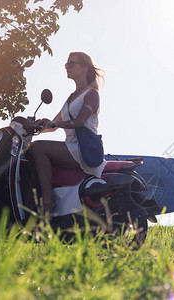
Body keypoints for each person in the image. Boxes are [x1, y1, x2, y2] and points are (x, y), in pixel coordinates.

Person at [29, 52, 107, 217]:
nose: (66, 66)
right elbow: (53, 125)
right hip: (71, 147)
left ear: (84, 67)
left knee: (38, 148)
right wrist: (36, 126)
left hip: (82, 150)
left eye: (71, 64)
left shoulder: (92, 94)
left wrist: (53, 123)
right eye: (66, 64)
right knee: (29, 149)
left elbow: (79, 121)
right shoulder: (71, 98)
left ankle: (47, 204)